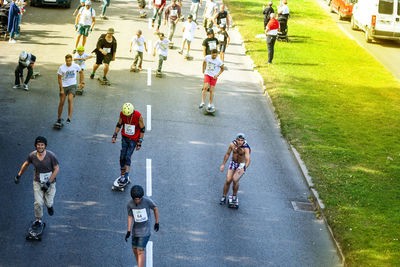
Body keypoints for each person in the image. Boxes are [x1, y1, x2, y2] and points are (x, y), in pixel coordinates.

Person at [15, 136, 60, 227]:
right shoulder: (32, 155)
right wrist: (19, 175)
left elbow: (56, 169)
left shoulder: (51, 156)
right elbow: (26, 164)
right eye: (38, 145)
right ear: (36, 145)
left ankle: (49, 207)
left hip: (50, 183)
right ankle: (38, 220)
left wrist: (48, 182)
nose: (40, 147)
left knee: (48, 202)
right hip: (38, 181)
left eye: (42, 145)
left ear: (45, 146)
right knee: (38, 202)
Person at [125, 185, 159, 267]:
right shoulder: (130, 204)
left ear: (141, 197)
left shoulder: (147, 201)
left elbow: (155, 208)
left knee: (140, 251)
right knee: (134, 250)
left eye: (139, 199)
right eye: (135, 199)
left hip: (145, 231)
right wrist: (128, 231)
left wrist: (157, 222)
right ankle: (140, 264)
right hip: (135, 231)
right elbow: (130, 216)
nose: (137, 201)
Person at [112, 103, 145, 185]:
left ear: (132, 112)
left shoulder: (138, 116)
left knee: (127, 156)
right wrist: (115, 135)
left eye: (129, 115)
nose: (128, 117)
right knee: (122, 157)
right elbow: (119, 124)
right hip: (125, 138)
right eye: (126, 115)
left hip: (134, 139)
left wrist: (139, 142)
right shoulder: (122, 114)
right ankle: (122, 175)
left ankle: (126, 176)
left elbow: (142, 129)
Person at [219, 133, 251, 205]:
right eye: (238, 140)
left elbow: (248, 160)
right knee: (228, 180)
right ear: (236, 139)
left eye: (242, 140)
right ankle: (224, 196)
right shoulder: (232, 144)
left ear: (244, 140)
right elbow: (227, 154)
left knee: (235, 180)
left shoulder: (246, 148)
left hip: (241, 165)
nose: (240, 142)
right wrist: (223, 164)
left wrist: (244, 168)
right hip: (233, 163)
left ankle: (234, 195)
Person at [56, 54, 84, 126]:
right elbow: (59, 78)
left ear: (71, 60)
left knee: (70, 99)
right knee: (62, 102)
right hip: (64, 86)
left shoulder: (75, 66)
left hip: (72, 85)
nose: (68, 62)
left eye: (69, 61)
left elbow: (81, 73)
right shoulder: (62, 68)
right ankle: (59, 118)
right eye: (67, 61)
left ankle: (69, 117)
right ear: (65, 61)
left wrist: (82, 82)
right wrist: (61, 89)